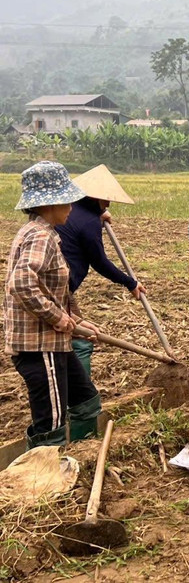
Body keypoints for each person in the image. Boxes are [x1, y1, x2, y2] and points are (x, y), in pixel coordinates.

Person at [5, 161, 102, 449]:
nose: (72, 205)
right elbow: (21, 283)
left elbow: (54, 288)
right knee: (52, 419)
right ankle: (43, 477)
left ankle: (85, 452)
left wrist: (76, 320)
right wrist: (58, 318)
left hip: (54, 341)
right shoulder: (39, 235)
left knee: (85, 397)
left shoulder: (46, 233)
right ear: (50, 203)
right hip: (39, 345)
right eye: (66, 199)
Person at [55, 164, 146, 382]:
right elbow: (100, 262)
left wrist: (99, 214)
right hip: (60, 288)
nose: (108, 204)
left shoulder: (69, 209)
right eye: (105, 200)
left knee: (68, 336)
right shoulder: (88, 222)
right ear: (95, 198)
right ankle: (81, 393)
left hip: (56, 284)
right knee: (81, 339)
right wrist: (130, 283)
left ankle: (72, 388)